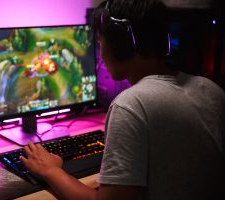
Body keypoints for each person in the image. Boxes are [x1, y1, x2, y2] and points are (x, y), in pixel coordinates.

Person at [20, 0, 225, 199]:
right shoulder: (212, 90)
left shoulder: (130, 105)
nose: (100, 53)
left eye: (100, 42)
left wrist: (50, 171)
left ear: (121, 44)